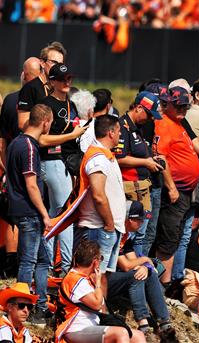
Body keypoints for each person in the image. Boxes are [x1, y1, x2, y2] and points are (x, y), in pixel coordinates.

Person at [4, 103, 53, 324]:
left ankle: (41, 306)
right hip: (30, 212)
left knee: (43, 260)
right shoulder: (30, 148)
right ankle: (21, 307)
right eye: (50, 123)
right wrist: (45, 214)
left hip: (21, 210)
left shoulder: (16, 142)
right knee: (28, 261)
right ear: (44, 122)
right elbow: (31, 185)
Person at [37, 62, 86, 273]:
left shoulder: (70, 104)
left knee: (54, 213)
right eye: (61, 79)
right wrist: (72, 135)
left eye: (69, 79)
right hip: (51, 161)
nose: (66, 82)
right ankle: (64, 265)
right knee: (65, 214)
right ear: (52, 81)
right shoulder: (46, 104)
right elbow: (41, 138)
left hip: (66, 162)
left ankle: (48, 263)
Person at [56, 239, 145, 343]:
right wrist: (98, 283)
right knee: (121, 333)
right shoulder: (73, 279)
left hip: (93, 327)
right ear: (95, 261)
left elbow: (101, 309)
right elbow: (96, 304)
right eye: (101, 258)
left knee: (139, 336)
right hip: (76, 329)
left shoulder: (86, 279)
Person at [107, 201, 174, 339]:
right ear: (129, 219)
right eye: (139, 219)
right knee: (135, 276)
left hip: (115, 278)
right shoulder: (115, 234)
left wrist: (145, 267)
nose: (142, 223)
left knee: (148, 274)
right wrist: (145, 260)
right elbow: (126, 265)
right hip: (101, 282)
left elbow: (133, 262)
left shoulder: (127, 236)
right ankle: (143, 324)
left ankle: (164, 322)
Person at [153, 86, 199, 283]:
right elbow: (160, 156)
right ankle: (161, 284)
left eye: (185, 106)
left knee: (175, 237)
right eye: (179, 106)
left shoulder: (179, 123)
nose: (183, 109)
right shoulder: (164, 124)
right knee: (168, 238)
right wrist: (171, 187)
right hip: (175, 191)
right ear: (168, 104)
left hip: (185, 192)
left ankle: (166, 282)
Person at [74, 114, 128, 275]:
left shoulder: (105, 155)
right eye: (118, 131)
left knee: (102, 277)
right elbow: (98, 195)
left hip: (107, 228)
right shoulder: (97, 158)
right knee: (94, 276)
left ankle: (101, 301)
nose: (120, 135)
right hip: (99, 228)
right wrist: (110, 223)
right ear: (111, 132)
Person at [114, 91, 163, 255]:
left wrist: (153, 158)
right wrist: (146, 162)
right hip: (130, 187)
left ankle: (140, 267)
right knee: (133, 234)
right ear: (139, 108)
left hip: (141, 188)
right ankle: (133, 270)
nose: (151, 119)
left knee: (141, 234)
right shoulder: (122, 126)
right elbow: (119, 158)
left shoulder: (137, 128)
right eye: (149, 115)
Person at [16, 42, 65, 131]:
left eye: (60, 64)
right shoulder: (30, 88)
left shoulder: (60, 89)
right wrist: (43, 134)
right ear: (42, 63)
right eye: (54, 62)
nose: (57, 67)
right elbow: (22, 123)